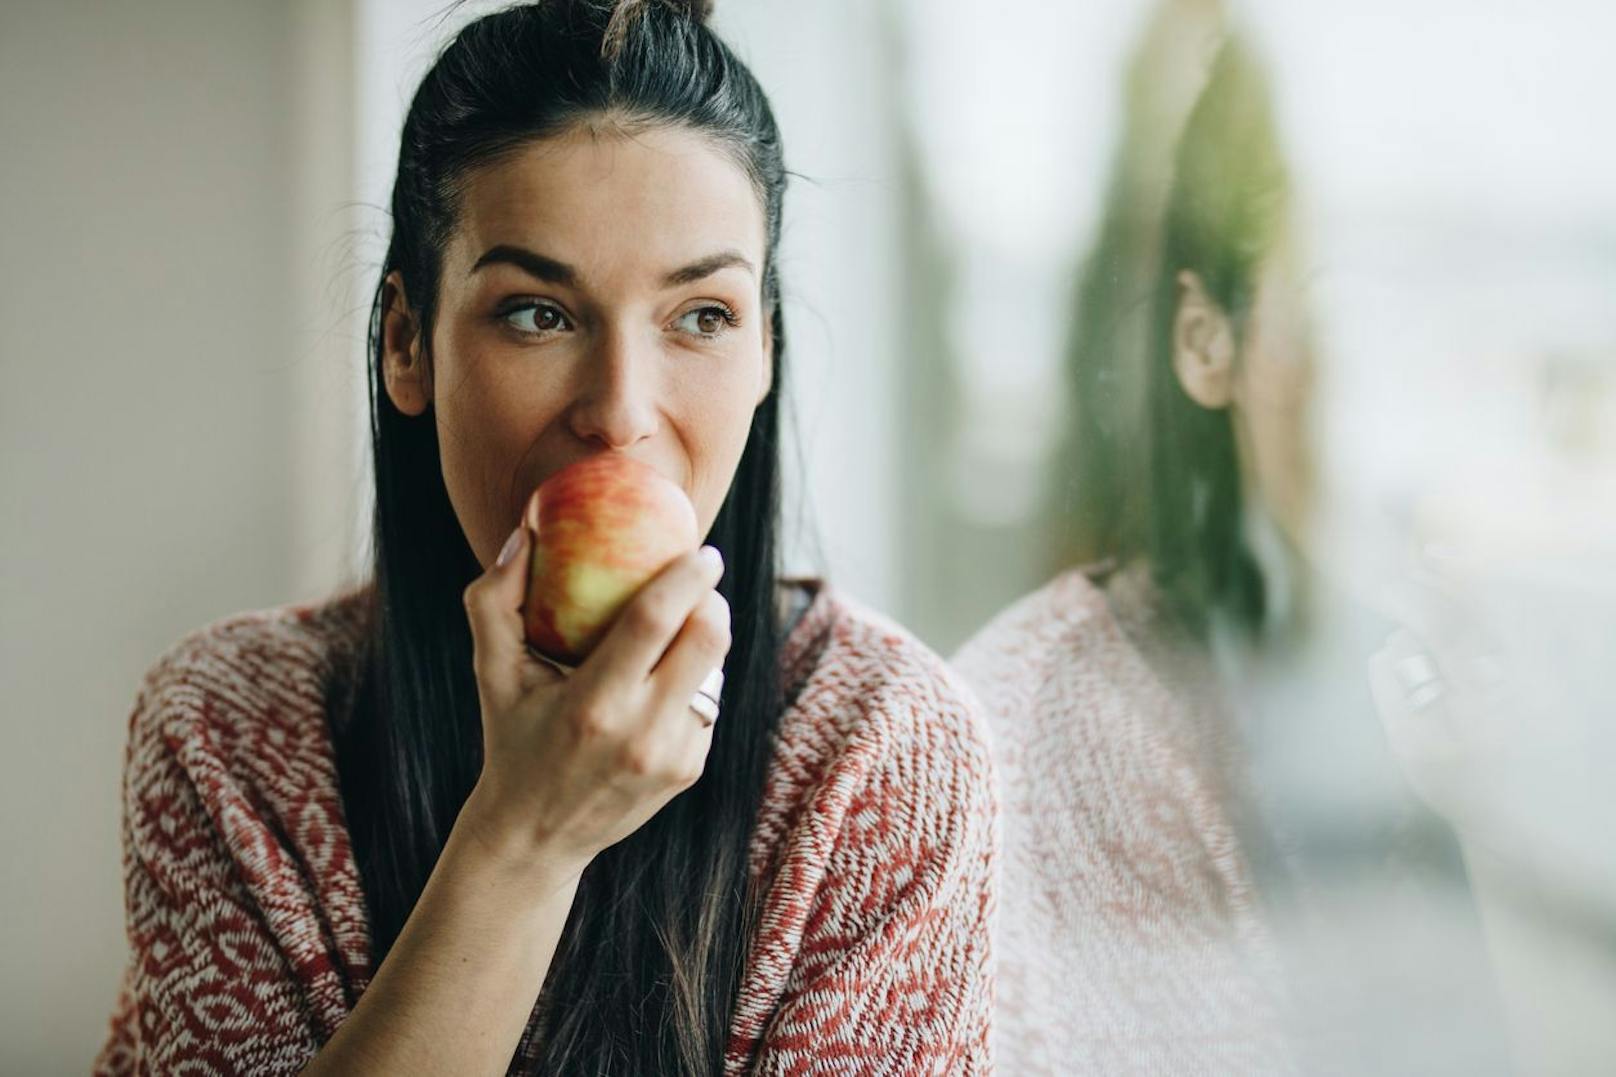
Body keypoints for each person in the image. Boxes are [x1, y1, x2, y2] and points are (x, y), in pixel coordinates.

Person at [93, 3, 994, 1073]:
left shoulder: (881, 748)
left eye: (701, 315)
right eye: (537, 313)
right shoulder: (232, 731)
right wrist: (523, 841)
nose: (618, 409)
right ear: (405, 344)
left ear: (764, 355)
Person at [958, 19, 1510, 1074]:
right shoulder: (1027, 725)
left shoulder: (1389, 683)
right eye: (1320, 316)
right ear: (1199, 343)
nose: (1342, 382)